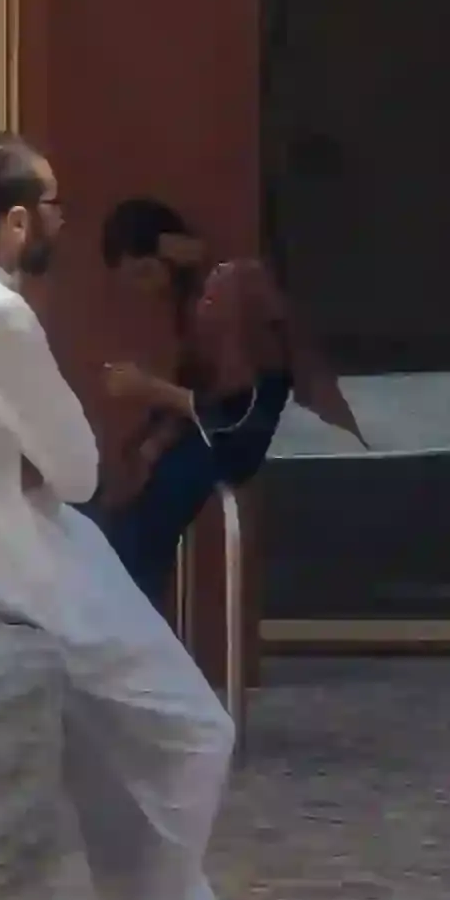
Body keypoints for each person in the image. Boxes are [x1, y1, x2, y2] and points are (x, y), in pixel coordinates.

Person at [0, 135, 354, 900]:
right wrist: (31, 467)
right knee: (194, 732)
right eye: (52, 210)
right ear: (15, 220)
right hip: (25, 576)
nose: (59, 225)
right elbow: (81, 470)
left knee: (115, 764)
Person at [89, 194, 352, 622]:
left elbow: (240, 409)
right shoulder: (194, 296)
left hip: (239, 438)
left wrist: (150, 389)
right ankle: (129, 625)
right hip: (212, 429)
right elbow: (200, 387)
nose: (146, 289)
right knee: (124, 493)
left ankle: (132, 634)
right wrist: (154, 438)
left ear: (168, 250)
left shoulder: (232, 286)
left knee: (145, 519)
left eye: (145, 273)